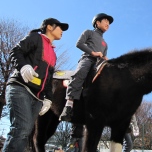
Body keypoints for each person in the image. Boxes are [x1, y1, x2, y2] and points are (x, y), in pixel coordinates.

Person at [2, 18, 69, 152]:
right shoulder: (35, 38)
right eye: (60, 27)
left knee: (26, 133)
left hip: (37, 96)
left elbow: (49, 78)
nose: (62, 31)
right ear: (49, 27)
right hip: (20, 87)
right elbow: (16, 51)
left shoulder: (53, 54)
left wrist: (48, 99)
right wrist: (23, 66)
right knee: (22, 128)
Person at [59, 13, 113, 121]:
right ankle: (68, 105)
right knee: (80, 73)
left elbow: (104, 56)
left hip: (98, 65)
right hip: (87, 59)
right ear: (97, 22)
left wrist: (108, 60)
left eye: (109, 22)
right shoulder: (88, 32)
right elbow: (79, 43)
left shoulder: (105, 44)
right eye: (105, 21)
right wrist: (93, 53)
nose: (108, 24)